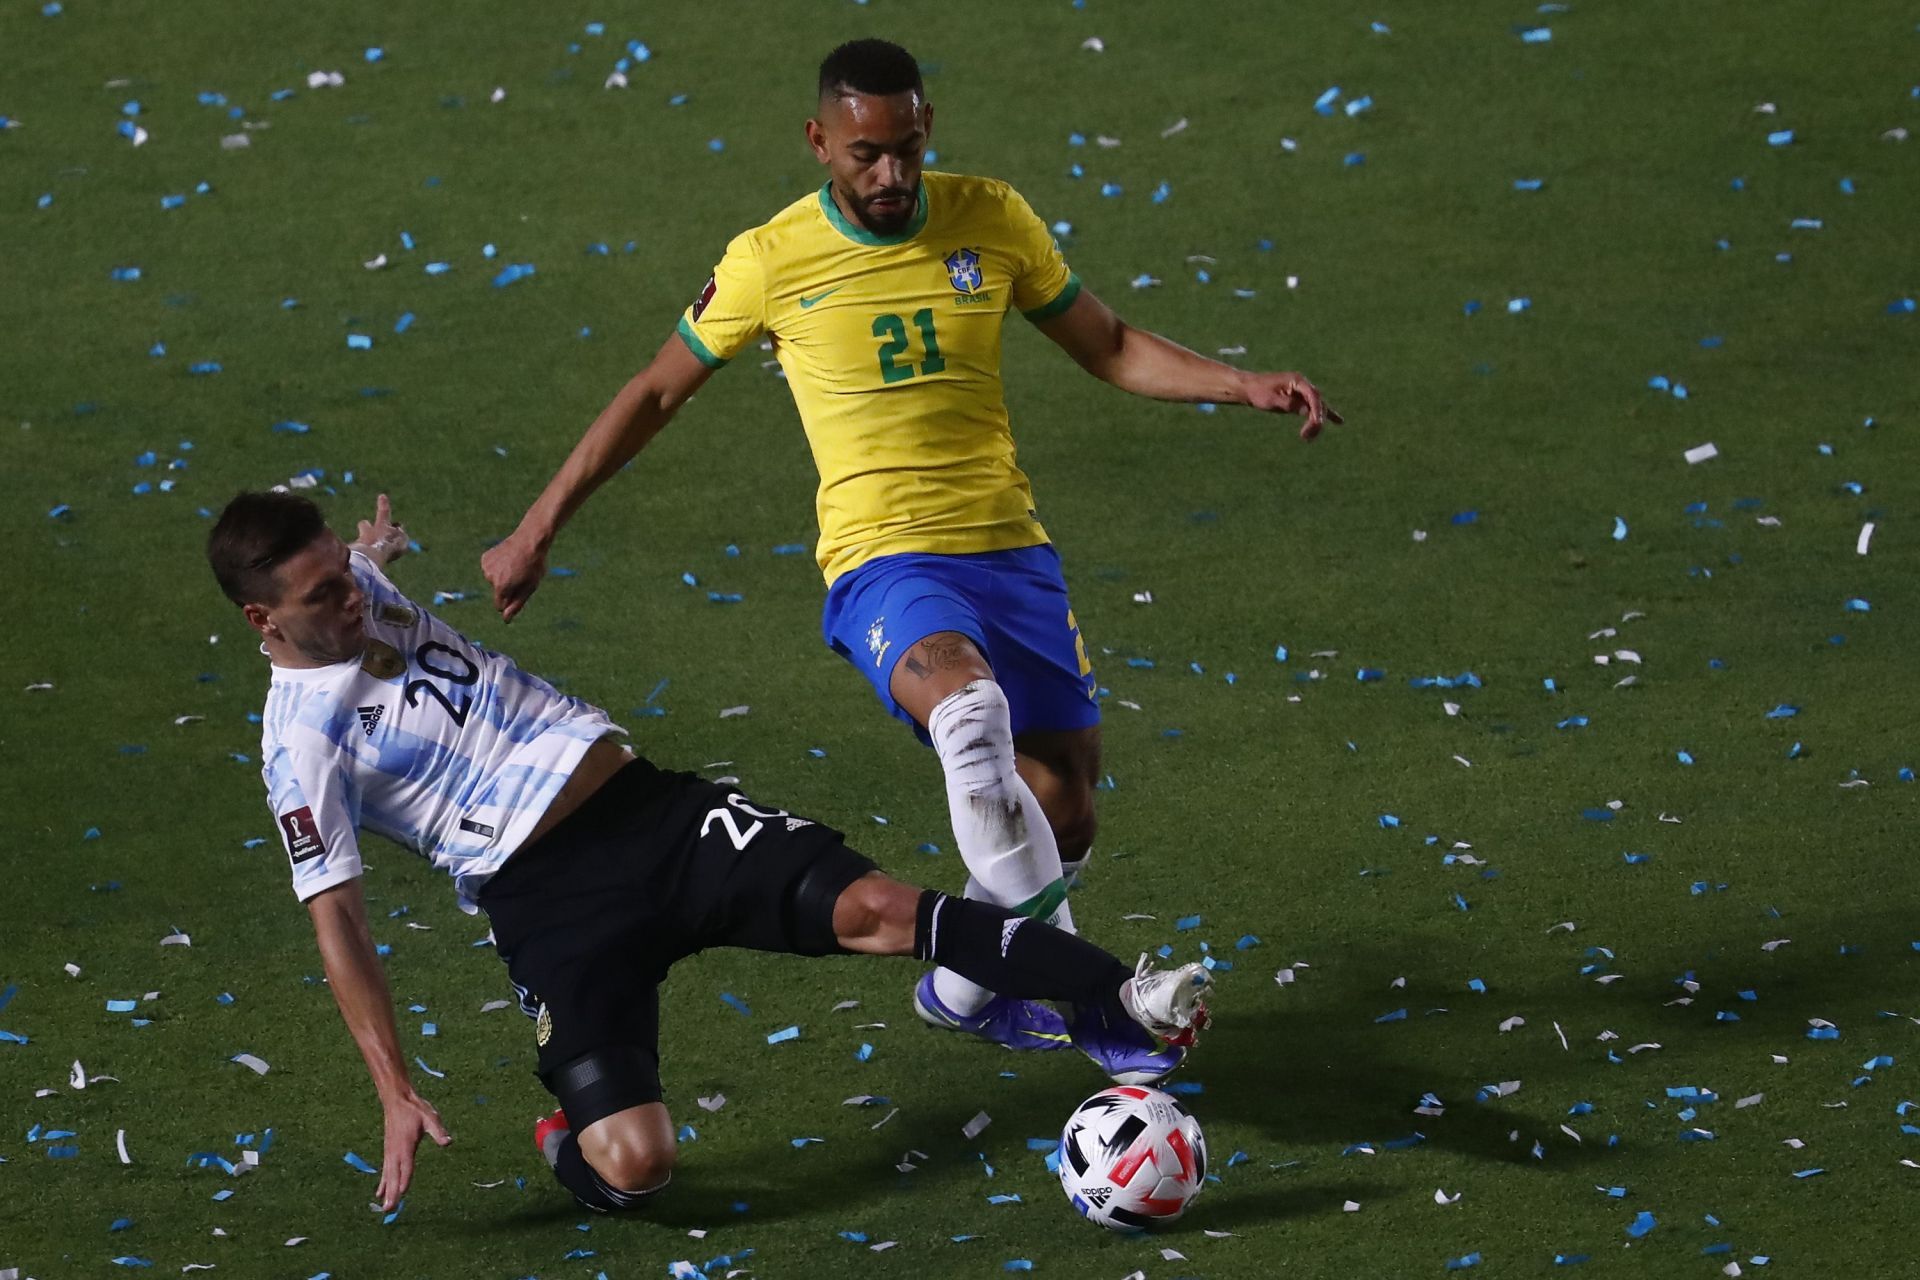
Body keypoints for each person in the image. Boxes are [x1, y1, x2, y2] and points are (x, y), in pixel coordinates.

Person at [480, 37, 1336, 1058]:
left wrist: (1239, 381)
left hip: (1009, 548)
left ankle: (966, 990)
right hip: (885, 558)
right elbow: (656, 390)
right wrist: (537, 529)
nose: (888, 175)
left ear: (926, 126)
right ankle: (1090, 995)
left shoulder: (994, 217)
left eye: (903, 149)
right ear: (818, 142)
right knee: (968, 714)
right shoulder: (770, 260)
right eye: (862, 155)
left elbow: (1106, 344)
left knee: (1062, 811)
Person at [209, 490, 1211, 1214]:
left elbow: (364, 573)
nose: (352, 595)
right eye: (325, 592)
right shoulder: (298, 747)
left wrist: (376, 547)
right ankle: (573, 1139)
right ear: (264, 621)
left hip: (657, 818)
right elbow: (336, 923)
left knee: (880, 910)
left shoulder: (357, 587)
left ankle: (1120, 999)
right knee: (636, 1163)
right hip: (550, 908)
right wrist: (393, 1086)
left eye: (350, 569)